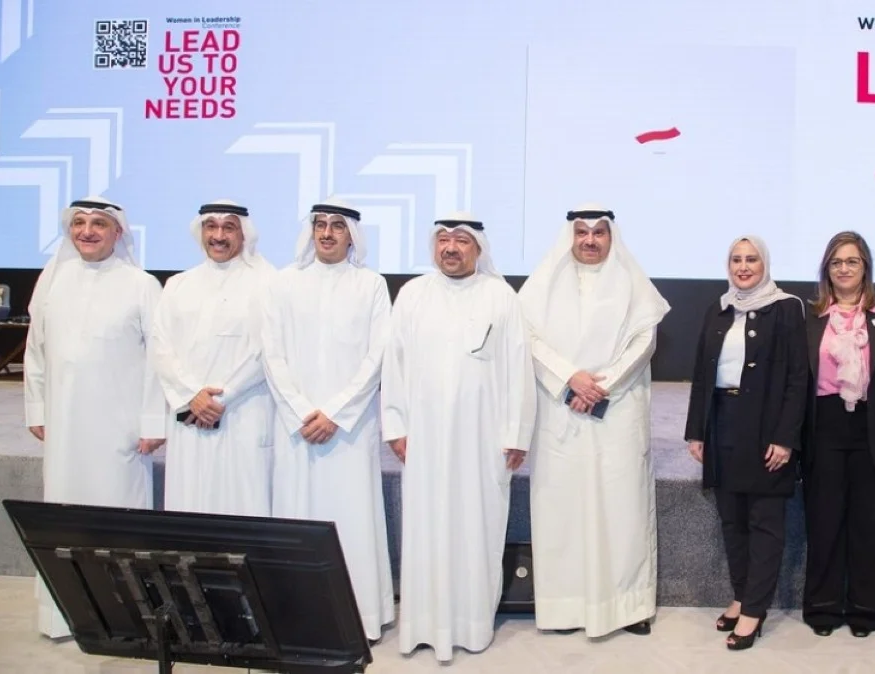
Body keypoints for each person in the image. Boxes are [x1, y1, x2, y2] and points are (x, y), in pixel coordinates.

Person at [381, 212, 535, 662]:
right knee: (426, 529)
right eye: (443, 239)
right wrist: (396, 425)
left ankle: (471, 625)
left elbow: (518, 370)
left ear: (479, 248)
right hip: (425, 441)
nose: (450, 248)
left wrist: (516, 433)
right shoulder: (412, 295)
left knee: (476, 529)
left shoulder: (500, 297)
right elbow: (395, 365)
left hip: (482, 441)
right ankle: (424, 625)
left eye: (461, 240)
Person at [518, 205, 670, 637]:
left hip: (617, 413)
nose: (589, 240)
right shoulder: (544, 284)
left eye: (598, 233)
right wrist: (570, 379)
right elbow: (526, 338)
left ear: (610, 237)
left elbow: (645, 339)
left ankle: (630, 605)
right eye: (581, 232)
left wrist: (602, 385)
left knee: (623, 508)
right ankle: (565, 608)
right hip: (561, 412)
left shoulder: (630, 281)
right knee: (562, 511)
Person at [23, 196, 167, 638]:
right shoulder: (53, 281)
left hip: (119, 431)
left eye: (99, 224)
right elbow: (36, 350)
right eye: (79, 223)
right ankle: (64, 616)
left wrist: (152, 422)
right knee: (64, 516)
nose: (87, 231)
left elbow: (158, 360)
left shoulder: (142, 284)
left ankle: (127, 617)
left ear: (118, 232)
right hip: (65, 427)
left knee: (117, 520)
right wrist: (36, 408)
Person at [261, 198, 394, 641]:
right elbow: (272, 353)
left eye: (337, 226)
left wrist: (335, 412)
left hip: (349, 431)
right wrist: (303, 411)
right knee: (297, 515)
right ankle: (298, 618)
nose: (327, 233)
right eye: (320, 224)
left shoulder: (371, 285)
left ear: (352, 234)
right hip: (297, 427)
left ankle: (359, 617)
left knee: (352, 517)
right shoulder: (284, 283)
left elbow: (378, 355)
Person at [683, 235, 808, 650]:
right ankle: (740, 596)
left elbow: (797, 378)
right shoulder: (719, 309)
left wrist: (785, 437)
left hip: (765, 428)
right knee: (732, 519)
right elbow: (703, 374)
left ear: (765, 263)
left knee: (764, 523)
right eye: (736, 259)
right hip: (722, 423)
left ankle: (755, 609)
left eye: (751, 259)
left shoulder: (787, 307)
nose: (743, 266)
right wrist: (696, 430)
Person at [801, 231, 875, 638]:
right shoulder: (811, 316)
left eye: (852, 261)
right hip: (825, 427)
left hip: (874, 429)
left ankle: (865, 611)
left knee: (870, 526)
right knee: (824, 521)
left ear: (865, 266)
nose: (844, 269)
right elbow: (799, 382)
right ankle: (822, 608)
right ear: (826, 270)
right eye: (836, 262)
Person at [151, 200, 276, 516]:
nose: (218, 236)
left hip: (244, 415)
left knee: (245, 509)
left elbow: (269, 350)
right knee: (189, 507)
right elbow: (161, 346)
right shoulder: (179, 284)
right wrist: (193, 395)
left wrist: (223, 397)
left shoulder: (269, 283)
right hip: (190, 417)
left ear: (244, 234)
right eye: (211, 226)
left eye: (228, 227)